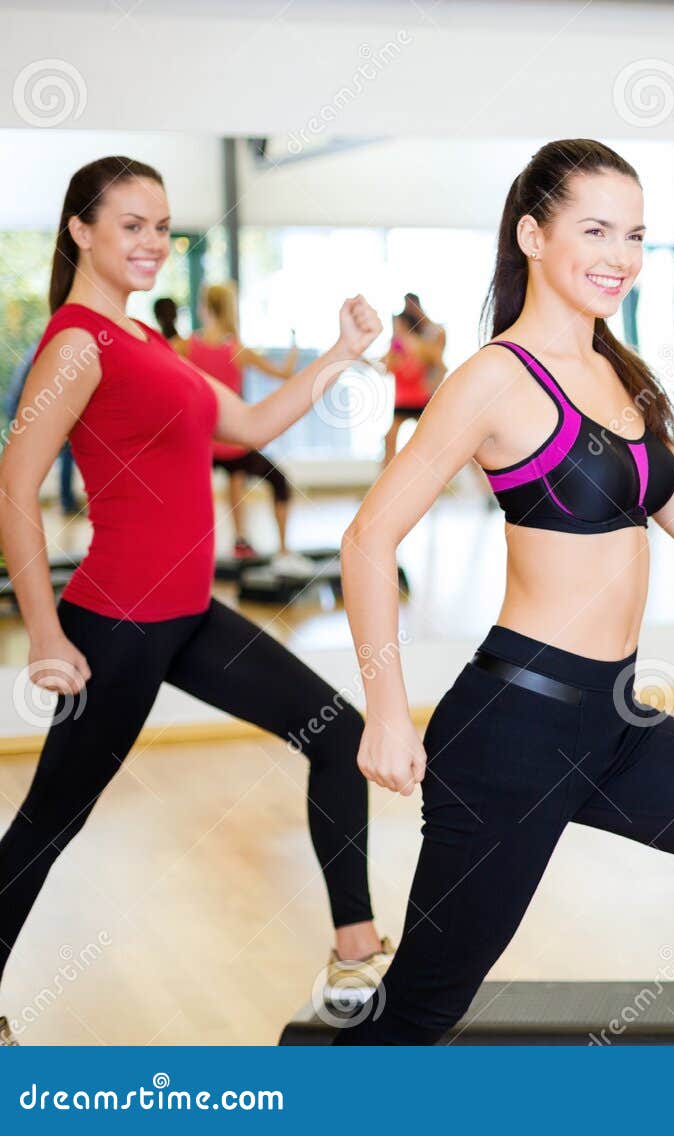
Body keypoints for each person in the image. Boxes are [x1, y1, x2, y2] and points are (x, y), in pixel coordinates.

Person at [334, 139, 674, 1046]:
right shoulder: (494, 378)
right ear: (533, 235)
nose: (619, 255)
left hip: (613, 721)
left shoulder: (618, 372)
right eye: (595, 230)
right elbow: (367, 539)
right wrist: (385, 711)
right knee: (421, 1010)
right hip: (512, 732)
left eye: (634, 235)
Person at [0, 156, 393, 1048]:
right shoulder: (77, 344)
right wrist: (44, 631)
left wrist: (339, 355)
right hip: (120, 626)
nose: (151, 242)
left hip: (187, 615)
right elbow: (14, 486)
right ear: (81, 232)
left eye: (161, 225)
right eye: (130, 224)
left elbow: (249, 427)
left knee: (335, 733)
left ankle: (356, 955)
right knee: (49, 824)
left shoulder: (145, 343)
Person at [184, 281, 311, 570]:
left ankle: (237, 540)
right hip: (233, 441)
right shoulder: (237, 350)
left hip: (202, 443)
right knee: (278, 482)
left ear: (204, 308)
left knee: (224, 482)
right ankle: (282, 550)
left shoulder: (187, 346)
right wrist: (293, 346)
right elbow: (285, 373)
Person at [5, 340, 79, 513]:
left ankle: (64, 501)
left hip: (22, 411)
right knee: (66, 452)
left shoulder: (37, 350)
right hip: (24, 413)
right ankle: (66, 502)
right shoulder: (45, 354)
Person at [380, 308, 440, 467]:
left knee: (433, 439)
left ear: (404, 324)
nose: (395, 328)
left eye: (397, 324)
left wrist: (432, 384)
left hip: (420, 400)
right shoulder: (395, 346)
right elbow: (385, 368)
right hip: (402, 401)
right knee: (389, 438)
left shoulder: (420, 344)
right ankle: (386, 476)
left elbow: (439, 365)